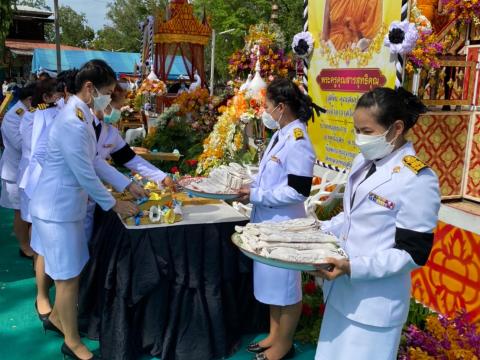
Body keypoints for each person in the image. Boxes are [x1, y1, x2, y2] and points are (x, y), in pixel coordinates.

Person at [313, 87, 441, 360]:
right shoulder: (363, 161)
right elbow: (351, 217)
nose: (359, 138)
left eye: (367, 131)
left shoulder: (417, 178)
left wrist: (352, 267)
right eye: (356, 129)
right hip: (341, 294)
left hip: (374, 306)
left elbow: (413, 253)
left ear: (396, 129)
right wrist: (316, 230)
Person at [30, 59, 138, 360]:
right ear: (89, 88)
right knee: (67, 278)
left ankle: (56, 321)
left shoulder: (82, 116)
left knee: (72, 272)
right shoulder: (72, 121)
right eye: (107, 92)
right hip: (56, 208)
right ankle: (73, 342)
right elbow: (84, 172)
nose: (109, 98)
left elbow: (93, 161)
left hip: (66, 207)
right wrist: (115, 203)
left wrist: (124, 184)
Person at [239, 78, 316, 360]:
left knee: (286, 288)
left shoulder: (298, 141)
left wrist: (257, 195)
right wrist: (248, 185)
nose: (266, 111)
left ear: (281, 107)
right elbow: (270, 177)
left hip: (284, 225)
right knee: (271, 284)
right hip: (267, 223)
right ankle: (274, 335)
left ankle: (284, 343)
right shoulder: (281, 134)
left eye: (268, 106)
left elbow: (298, 191)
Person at [86, 84, 174, 240]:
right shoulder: (84, 123)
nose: (119, 113)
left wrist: (161, 177)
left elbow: (131, 159)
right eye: (118, 107)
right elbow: (93, 162)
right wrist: (127, 184)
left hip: (93, 195)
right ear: (105, 102)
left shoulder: (111, 131)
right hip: (77, 191)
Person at [0, 82, 36, 258]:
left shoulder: (29, 112)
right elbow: (20, 144)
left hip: (28, 171)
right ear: (30, 99)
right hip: (14, 172)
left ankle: (30, 244)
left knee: (28, 210)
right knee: (20, 212)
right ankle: (24, 247)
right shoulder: (14, 116)